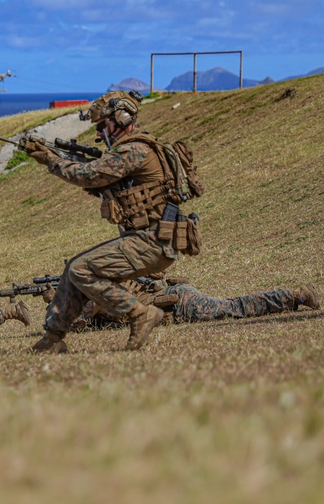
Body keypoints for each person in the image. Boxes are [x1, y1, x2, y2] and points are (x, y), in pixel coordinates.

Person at [24, 90, 198, 353]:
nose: (99, 133)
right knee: (74, 268)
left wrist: (51, 160)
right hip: (149, 240)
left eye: (103, 125)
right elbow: (102, 182)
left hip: (151, 241)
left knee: (82, 269)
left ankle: (140, 313)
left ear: (121, 118)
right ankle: (52, 339)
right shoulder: (135, 149)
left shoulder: (135, 150)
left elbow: (90, 175)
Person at [74, 278, 320, 330]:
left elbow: (77, 324)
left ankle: (295, 295)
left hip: (179, 304)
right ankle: (294, 296)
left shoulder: (97, 292)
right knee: (232, 306)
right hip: (175, 300)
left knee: (233, 309)